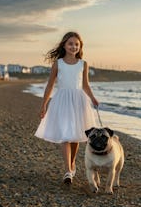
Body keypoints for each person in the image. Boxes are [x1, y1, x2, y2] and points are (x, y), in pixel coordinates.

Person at [35, 31, 99, 184]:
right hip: (62, 100)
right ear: (64, 45)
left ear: (80, 46)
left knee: (75, 135)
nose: (73, 46)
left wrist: (93, 98)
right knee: (65, 134)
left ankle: (72, 162)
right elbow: (50, 85)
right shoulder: (58, 63)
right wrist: (44, 104)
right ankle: (68, 171)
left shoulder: (83, 64)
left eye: (77, 44)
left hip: (78, 101)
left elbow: (85, 85)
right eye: (70, 43)